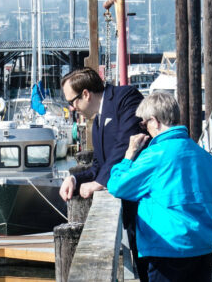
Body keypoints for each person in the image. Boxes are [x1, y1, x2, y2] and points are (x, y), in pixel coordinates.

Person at [107, 92, 212, 282]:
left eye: (144, 124)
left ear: (154, 121)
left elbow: (116, 186)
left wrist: (129, 154)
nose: (145, 129)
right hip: (202, 247)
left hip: (167, 248)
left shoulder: (154, 156)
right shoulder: (205, 157)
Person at [59, 67, 148, 281]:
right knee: (142, 265)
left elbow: (126, 143)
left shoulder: (126, 97)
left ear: (86, 94)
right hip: (131, 206)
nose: (72, 108)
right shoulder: (97, 122)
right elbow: (99, 164)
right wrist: (75, 178)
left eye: (72, 102)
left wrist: (99, 183)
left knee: (150, 268)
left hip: (146, 202)